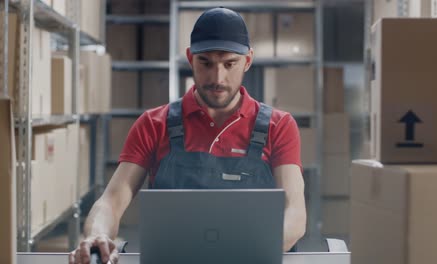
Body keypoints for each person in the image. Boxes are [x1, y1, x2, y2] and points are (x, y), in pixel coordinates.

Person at [69, 7, 306, 264]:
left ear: (247, 60)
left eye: (229, 64)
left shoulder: (278, 126)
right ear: (190, 58)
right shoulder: (153, 124)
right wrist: (97, 235)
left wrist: (244, 251)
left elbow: (294, 212)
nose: (218, 78)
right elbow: (112, 200)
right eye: (205, 62)